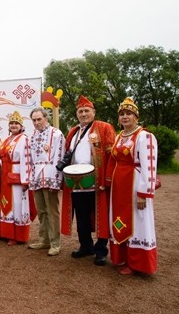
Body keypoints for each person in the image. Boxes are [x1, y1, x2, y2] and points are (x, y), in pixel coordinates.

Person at [59, 96, 116, 266]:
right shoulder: (73, 132)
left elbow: (111, 156)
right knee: (82, 216)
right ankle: (85, 246)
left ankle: (101, 250)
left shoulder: (104, 128)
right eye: (80, 111)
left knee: (101, 216)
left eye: (86, 111)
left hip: (97, 182)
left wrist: (107, 179)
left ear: (93, 112)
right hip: (77, 183)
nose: (83, 114)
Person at [106, 98, 158, 275]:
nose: (125, 117)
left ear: (136, 116)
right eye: (122, 114)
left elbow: (149, 166)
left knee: (138, 221)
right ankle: (124, 257)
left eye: (129, 113)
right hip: (119, 185)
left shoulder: (145, 136)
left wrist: (143, 193)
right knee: (120, 219)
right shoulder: (120, 136)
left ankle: (138, 264)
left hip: (135, 185)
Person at [28, 107, 65, 256]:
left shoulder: (56, 134)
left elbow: (59, 157)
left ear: (46, 118)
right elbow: (31, 158)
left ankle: (55, 243)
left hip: (50, 177)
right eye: (34, 120)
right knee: (42, 211)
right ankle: (44, 240)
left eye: (39, 119)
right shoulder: (33, 135)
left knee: (52, 211)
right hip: (36, 177)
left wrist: (56, 180)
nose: (36, 122)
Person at [0, 111, 35, 245]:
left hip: (17, 174)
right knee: (6, 202)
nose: (14, 126)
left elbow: (26, 160)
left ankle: (18, 235)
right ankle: (8, 232)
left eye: (16, 123)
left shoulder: (24, 139)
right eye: (12, 123)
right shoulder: (7, 139)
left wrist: (25, 180)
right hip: (5, 173)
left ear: (21, 126)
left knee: (18, 203)